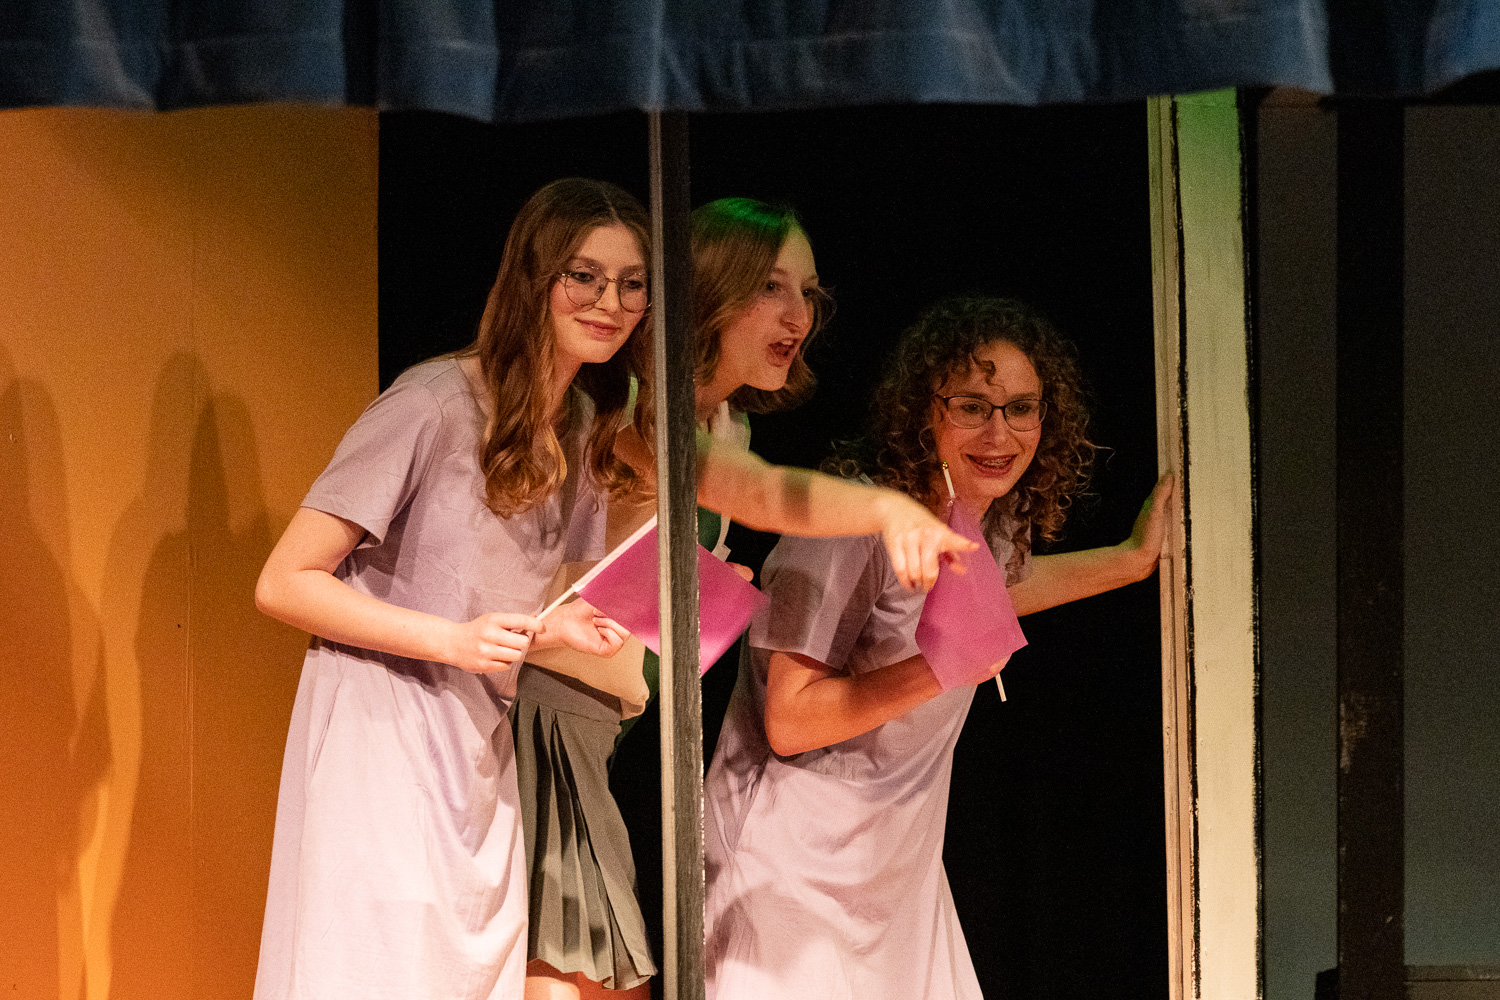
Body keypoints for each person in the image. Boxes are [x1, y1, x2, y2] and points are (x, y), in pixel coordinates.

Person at [511, 198, 973, 1000]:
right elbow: (751, 492)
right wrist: (886, 509)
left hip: (605, 729)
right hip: (540, 715)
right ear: (710, 289)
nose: (798, 316)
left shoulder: (727, 423)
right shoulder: (633, 405)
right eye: (770, 287)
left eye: (808, 294)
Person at [701, 295, 1174, 1000]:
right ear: (925, 411)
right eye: (972, 407)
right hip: (789, 867)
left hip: (896, 869)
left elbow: (1000, 592)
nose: (999, 432)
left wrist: (1130, 561)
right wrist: (942, 669)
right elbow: (790, 720)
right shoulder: (849, 525)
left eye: (1021, 408)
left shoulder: (986, 521)